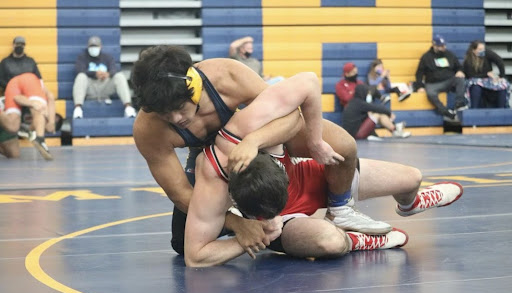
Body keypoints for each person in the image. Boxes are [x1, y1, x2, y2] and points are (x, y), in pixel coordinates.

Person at [130, 45, 388, 257]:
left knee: (343, 145)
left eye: (179, 107)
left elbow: (291, 118)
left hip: (258, 138)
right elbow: (180, 193)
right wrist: (238, 224)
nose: (176, 118)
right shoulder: (148, 129)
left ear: (193, 86)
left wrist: (253, 142)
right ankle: (271, 231)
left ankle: (340, 209)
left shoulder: (227, 76)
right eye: (165, 114)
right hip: (208, 159)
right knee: (181, 242)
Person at [183, 72, 463, 267]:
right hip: (282, 223)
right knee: (329, 242)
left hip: (307, 178)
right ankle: (356, 240)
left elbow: (308, 81)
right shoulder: (212, 176)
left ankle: (409, 203)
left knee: (412, 177)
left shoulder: (250, 130)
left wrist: (313, 140)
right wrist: (249, 235)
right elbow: (195, 256)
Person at [72, 36, 137, 119]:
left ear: (100, 47)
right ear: (88, 47)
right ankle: (78, 108)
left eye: (95, 46)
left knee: (119, 76)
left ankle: (128, 107)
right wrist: (95, 73)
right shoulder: (82, 57)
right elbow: (79, 70)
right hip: (90, 86)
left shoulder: (107, 57)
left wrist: (107, 74)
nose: (93, 48)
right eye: (92, 46)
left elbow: (114, 69)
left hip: (105, 86)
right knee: (81, 77)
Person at [0, 73, 56, 160]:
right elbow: (17, 98)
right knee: (40, 108)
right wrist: (51, 121)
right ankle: (40, 139)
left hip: (14, 91)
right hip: (24, 83)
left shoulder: (36, 123)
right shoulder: (42, 103)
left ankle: (40, 139)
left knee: (14, 152)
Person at [413, 34, 468, 121]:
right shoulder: (426, 57)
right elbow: (419, 73)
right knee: (430, 93)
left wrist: (460, 71)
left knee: (460, 80)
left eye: (444, 45)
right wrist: (420, 86)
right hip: (433, 83)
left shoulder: (449, 54)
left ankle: (459, 104)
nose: (443, 47)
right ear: (434, 46)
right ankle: (446, 112)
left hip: (449, 80)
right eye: (441, 46)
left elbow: (458, 66)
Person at [342, 83, 410, 140]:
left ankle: (395, 129)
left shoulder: (353, 102)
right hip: (357, 135)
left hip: (352, 135)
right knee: (377, 115)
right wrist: (389, 113)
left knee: (371, 114)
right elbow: (377, 108)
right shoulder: (359, 103)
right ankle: (395, 130)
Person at [462, 40, 510, 109]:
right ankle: (474, 109)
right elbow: (470, 75)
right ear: (473, 50)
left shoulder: (487, 53)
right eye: (480, 49)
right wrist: (486, 74)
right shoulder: (468, 59)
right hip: (474, 79)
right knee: (475, 84)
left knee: (503, 84)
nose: (482, 51)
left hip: (488, 79)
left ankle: (502, 109)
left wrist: (501, 76)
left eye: (483, 49)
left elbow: (499, 61)